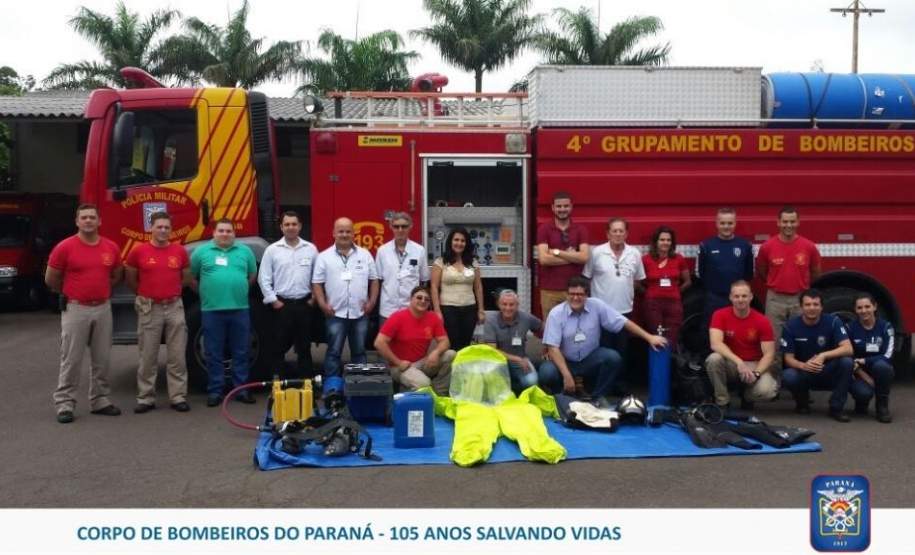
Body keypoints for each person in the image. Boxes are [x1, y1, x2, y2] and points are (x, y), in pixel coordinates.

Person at [45, 204, 123, 424]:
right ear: (77, 222)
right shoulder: (65, 247)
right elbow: (51, 278)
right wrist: (70, 292)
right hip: (76, 309)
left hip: (103, 308)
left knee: (102, 358)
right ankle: (65, 404)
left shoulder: (111, 247)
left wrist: (102, 290)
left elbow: (117, 274)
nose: (88, 221)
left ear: (99, 221)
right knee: (71, 358)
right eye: (84, 217)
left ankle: (100, 400)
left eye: (92, 217)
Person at [538, 277, 668, 400]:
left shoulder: (597, 306)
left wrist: (649, 337)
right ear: (566, 295)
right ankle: (561, 397)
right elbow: (553, 348)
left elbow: (623, 322)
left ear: (587, 295)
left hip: (589, 358)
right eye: (572, 294)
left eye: (580, 294)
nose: (575, 298)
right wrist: (567, 376)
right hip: (565, 360)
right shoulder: (556, 313)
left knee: (613, 358)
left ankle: (597, 398)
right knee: (546, 372)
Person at [124, 211, 191, 414]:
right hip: (150, 307)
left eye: (166, 227)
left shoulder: (180, 251)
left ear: (171, 230)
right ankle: (146, 398)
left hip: (174, 306)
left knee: (177, 356)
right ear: (150, 228)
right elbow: (130, 278)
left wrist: (171, 292)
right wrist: (145, 294)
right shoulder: (138, 251)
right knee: (148, 355)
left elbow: (186, 277)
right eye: (159, 227)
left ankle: (178, 396)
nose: (163, 230)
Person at [190, 218, 257, 407]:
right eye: (221, 230)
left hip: (240, 309)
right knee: (213, 353)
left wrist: (240, 288)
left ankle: (241, 390)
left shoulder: (245, 251)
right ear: (214, 233)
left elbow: (252, 275)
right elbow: (190, 277)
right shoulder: (201, 252)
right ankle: (215, 391)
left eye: (229, 231)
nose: (225, 234)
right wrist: (204, 293)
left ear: (234, 233)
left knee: (241, 351)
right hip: (212, 311)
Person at [313, 217, 379, 377]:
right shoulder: (323, 257)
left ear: (353, 234)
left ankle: (359, 383)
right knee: (333, 352)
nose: (344, 234)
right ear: (333, 233)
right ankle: (332, 385)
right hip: (335, 313)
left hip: (360, 313)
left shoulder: (365, 255)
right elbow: (317, 283)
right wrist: (322, 304)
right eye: (340, 231)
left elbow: (374, 280)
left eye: (348, 231)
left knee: (359, 352)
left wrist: (371, 302)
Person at [258, 210, 319, 380]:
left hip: (304, 305)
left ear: (300, 226)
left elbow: (318, 276)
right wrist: (274, 301)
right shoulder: (272, 250)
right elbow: (264, 278)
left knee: (304, 348)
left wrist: (314, 299)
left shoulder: (311, 249)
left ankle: (307, 384)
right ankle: (278, 384)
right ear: (281, 227)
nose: (290, 227)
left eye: (294, 224)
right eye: (287, 224)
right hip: (281, 306)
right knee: (278, 346)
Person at [780, 289, 854, 422]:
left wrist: (823, 356)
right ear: (801, 307)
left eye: (815, 304)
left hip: (828, 369)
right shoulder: (790, 326)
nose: (812, 308)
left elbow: (848, 349)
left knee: (847, 362)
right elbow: (788, 359)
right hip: (805, 371)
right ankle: (802, 402)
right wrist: (803, 366)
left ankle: (836, 408)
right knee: (788, 376)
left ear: (821, 307)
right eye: (808, 304)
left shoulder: (833, 321)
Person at [705, 280, 777, 409]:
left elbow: (769, 354)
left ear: (751, 297)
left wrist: (757, 374)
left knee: (767, 391)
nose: (740, 300)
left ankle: (747, 396)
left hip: (754, 364)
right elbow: (715, 344)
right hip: (732, 363)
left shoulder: (762, 321)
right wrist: (739, 362)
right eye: (736, 296)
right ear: (730, 297)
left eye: (744, 296)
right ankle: (722, 401)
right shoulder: (719, 315)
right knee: (713, 359)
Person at [582, 217, 645, 360]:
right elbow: (587, 278)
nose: (618, 234)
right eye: (614, 231)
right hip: (600, 312)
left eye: (621, 231)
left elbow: (638, 280)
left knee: (622, 350)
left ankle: (621, 375)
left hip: (624, 312)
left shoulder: (634, 253)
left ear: (626, 234)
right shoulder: (596, 252)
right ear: (608, 234)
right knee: (603, 351)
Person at [756, 206, 822, 341]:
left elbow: (816, 272)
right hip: (775, 300)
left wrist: (801, 286)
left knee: (801, 339)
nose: (789, 225)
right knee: (773, 340)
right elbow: (762, 271)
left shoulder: (809, 246)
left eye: (792, 221)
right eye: (785, 221)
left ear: (798, 222)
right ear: (778, 222)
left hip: (800, 299)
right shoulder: (767, 247)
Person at [374, 286, 454, 395]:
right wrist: (398, 362)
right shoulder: (397, 317)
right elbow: (379, 343)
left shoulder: (433, 317)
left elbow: (445, 341)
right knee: (424, 384)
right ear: (411, 299)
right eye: (419, 297)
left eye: (427, 299)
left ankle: (438, 394)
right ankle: (424, 392)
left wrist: (436, 352)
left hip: (422, 362)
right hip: (399, 367)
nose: (423, 301)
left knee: (451, 354)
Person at [697, 207, 754, 343]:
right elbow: (700, 272)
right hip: (714, 297)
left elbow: (749, 273)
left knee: (738, 328)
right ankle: (709, 354)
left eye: (730, 223)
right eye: (722, 223)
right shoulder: (706, 245)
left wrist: (738, 293)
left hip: (737, 298)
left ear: (735, 223)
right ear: (717, 224)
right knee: (711, 329)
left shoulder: (745, 245)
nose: (726, 226)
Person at [536, 191, 589, 318]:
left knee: (576, 325)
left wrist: (557, 252)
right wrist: (573, 257)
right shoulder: (544, 229)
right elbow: (544, 260)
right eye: (559, 206)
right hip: (549, 291)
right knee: (551, 326)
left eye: (566, 206)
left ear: (571, 207)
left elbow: (584, 257)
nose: (562, 209)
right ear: (553, 208)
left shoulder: (581, 230)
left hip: (575, 290)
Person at [430, 227, 484, 351]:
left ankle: (463, 364)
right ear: (450, 241)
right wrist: (437, 311)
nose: (459, 243)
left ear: (466, 243)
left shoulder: (473, 262)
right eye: (456, 240)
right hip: (448, 309)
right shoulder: (440, 262)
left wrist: (481, 310)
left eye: (462, 241)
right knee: (452, 345)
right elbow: (434, 287)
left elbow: (478, 287)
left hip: (470, 309)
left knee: (465, 345)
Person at [641, 225, 691, 350]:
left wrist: (676, 291)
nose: (666, 242)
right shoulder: (646, 260)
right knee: (656, 337)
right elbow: (637, 283)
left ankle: (669, 362)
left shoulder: (678, 259)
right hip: (653, 305)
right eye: (662, 240)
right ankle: (656, 363)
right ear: (656, 242)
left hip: (674, 304)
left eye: (668, 240)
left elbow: (687, 281)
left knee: (671, 338)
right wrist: (649, 293)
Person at [483, 289, 543, 393]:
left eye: (512, 305)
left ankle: (516, 389)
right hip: (498, 361)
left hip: (521, 361)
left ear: (517, 305)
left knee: (532, 382)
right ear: (498, 305)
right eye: (504, 304)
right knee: (494, 385)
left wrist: (547, 346)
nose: (508, 308)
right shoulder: (490, 320)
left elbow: (544, 328)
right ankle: (511, 388)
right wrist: (517, 359)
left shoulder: (526, 318)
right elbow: (492, 350)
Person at [375, 212, 430, 325]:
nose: (400, 230)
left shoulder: (419, 250)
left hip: (412, 309)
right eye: (396, 226)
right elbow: (378, 281)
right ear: (391, 227)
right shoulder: (382, 251)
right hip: (388, 311)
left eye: (404, 226)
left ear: (410, 227)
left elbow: (424, 280)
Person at [847, 293, 894, 423]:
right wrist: (864, 375)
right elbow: (847, 354)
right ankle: (861, 402)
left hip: (878, 368)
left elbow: (887, 355)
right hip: (858, 371)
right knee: (863, 393)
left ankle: (882, 407)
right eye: (859, 308)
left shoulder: (886, 327)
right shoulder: (850, 328)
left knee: (883, 367)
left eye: (867, 306)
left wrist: (865, 360)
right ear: (855, 310)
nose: (864, 311)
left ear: (875, 307)